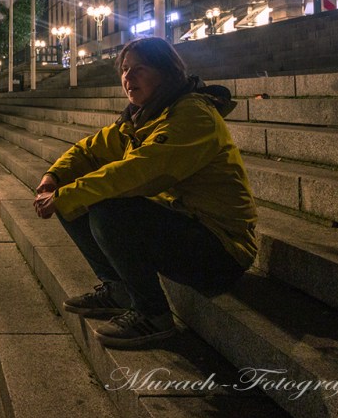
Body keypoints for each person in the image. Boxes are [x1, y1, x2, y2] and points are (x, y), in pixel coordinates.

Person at [33, 37, 257, 349]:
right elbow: (89, 150)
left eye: (139, 69)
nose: (128, 77)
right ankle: (118, 290)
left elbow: (140, 172)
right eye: (124, 70)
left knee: (104, 207)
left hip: (220, 248)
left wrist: (66, 194)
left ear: (167, 72)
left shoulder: (191, 115)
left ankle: (152, 315)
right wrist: (53, 177)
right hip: (182, 225)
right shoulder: (141, 117)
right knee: (75, 194)